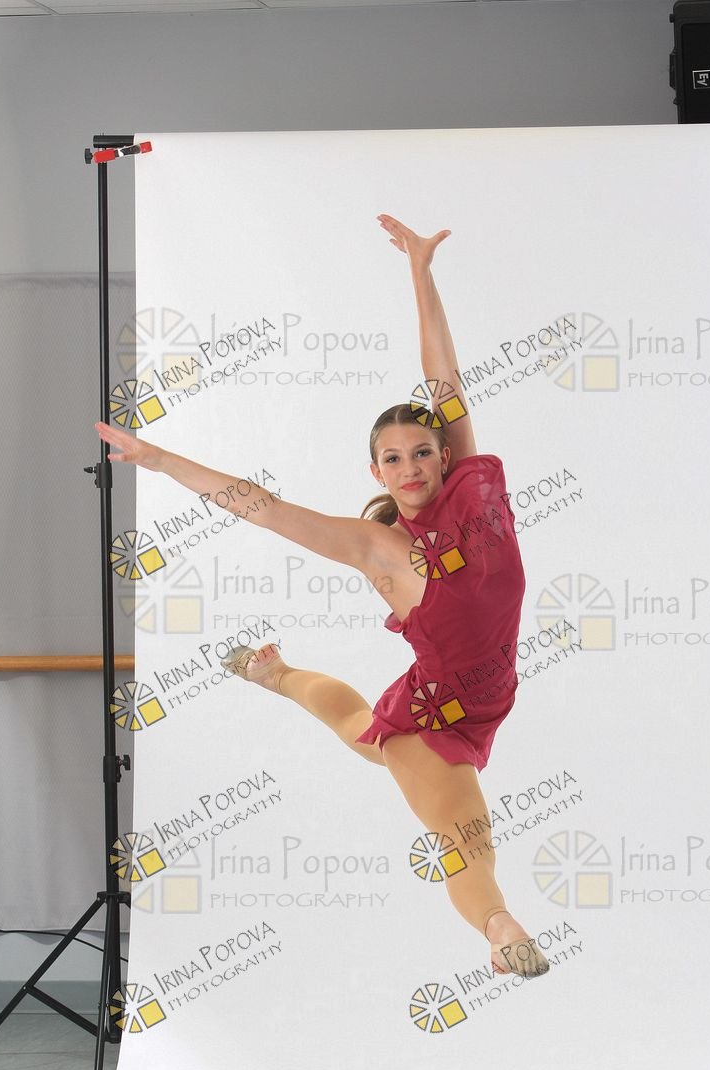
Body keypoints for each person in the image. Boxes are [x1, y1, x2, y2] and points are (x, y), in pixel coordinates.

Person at [94, 214, 548, 979]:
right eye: (392, 459)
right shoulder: (379, 547)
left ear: (444, 456)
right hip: (436, 717)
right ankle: (503, 932)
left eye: (422, 452)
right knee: (464, 837)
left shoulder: (473, 487)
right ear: (377, 473)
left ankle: (273, 673)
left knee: (359, 731)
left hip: (488, 697)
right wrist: (161, 459)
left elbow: (443, 377)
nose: (410, 468)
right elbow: (262, 507)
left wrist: (420, 271)